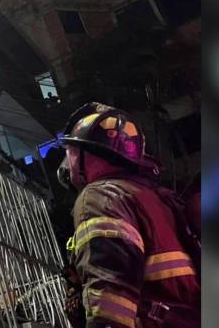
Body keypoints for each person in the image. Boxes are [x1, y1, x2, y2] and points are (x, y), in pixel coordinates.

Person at [55, 102, 200, 328]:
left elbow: (110, 297)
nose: (66, 163)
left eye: (70, 152)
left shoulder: (100, 196)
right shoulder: (156, 197)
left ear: (89, 155)